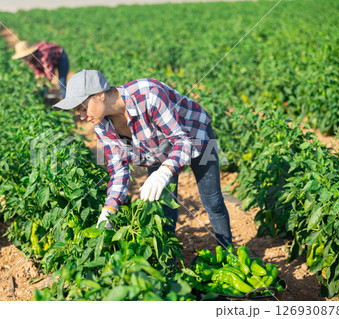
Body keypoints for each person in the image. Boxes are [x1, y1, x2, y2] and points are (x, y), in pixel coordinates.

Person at [54, 69, 232, 248]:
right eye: (78, 111)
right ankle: (169, 263)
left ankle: (226, 251)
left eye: (82, 108)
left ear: (100, 95)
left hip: (195, 135)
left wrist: (164, 171)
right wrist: (109, 210)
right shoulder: (101, 125)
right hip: (157, 150)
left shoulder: (149, 94)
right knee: (163, 208)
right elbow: (118, 172)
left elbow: (182, 141)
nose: (82, 116)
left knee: (212, 200)